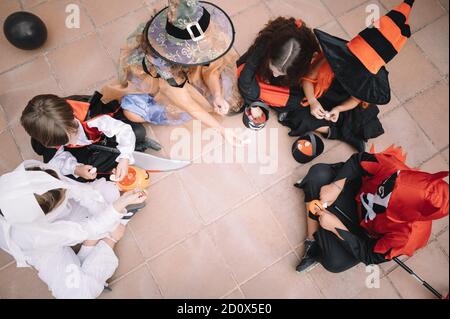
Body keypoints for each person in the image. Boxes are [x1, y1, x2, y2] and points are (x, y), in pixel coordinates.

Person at [280, 0, 416, 152]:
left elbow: (355, 99)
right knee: (298, 114)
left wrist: (339, 109)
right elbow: (308, 79)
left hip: (342, 103)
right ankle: (338, 131)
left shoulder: (366, 78)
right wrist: (312, 101)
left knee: (363, 123)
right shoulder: (333, 58)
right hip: (320, 94)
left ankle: (337, 129)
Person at [0, 160, 147, 299]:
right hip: (42, 248)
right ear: (51, 210)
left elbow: (78, 191)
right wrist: (115, 218)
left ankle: (90, 245)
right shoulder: (35, 237)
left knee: (108, 192)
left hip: (51, 221)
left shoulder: (33, 179)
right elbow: (83, 230)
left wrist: (112, 209)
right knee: (78, 294)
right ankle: (106, 240)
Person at [101, 0, 243, 144]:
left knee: (218, 91)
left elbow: (210, 69)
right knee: (132, 113)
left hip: (184, 67)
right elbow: (187, 103)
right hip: (162, 78)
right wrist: (222, 130)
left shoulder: (205, 30)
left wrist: (217, 95)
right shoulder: (161, 61)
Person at [294, 145, 449, 273]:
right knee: (319, 173)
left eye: (389, 198)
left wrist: (336, 227)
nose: (382, 189)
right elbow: (358, 161)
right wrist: (336, 186)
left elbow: (369, 255)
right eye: (390, 184)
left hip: (362, 232)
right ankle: (313, 239)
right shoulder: (395, 169)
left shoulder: (407, 238)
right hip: (356, 194)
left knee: (334, 263)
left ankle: (312, 196)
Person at [20, 92, 154, 183]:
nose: (72, 141)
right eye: (66, 141)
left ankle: (122, 156)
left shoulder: (91, 115)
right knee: (75, 177)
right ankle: (114, 161)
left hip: (101, 136)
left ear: (72, 116)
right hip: (82, 151)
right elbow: (55, 161)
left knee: (137, 132)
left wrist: (124, 158)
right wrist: (76, 168)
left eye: (73, 133)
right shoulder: (49, 137)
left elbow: (121, 129)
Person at [237, 17, 320, 124]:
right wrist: (252, 104)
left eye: (280, 72)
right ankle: (259, 98)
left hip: (284, 82)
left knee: (297, 101)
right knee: (246, 82)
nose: (275, 75)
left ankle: (266, 99)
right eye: (273, 69)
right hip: (257, 71)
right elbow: (246, 74)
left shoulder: (306, 57)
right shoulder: (267, 41)